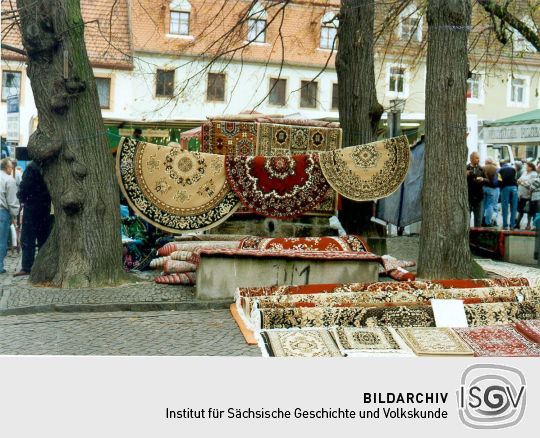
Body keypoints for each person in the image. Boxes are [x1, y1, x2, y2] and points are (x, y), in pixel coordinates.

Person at [13, 161, 51, 277]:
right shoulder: (48, 166)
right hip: (45, 207)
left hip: (32, 206)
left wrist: (21, 196)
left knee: (28, 238)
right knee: (43, 238)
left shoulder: (31, 168)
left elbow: (24, 187)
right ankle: (43, 265)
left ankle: (27, 267)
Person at [0, 158, 20, 274]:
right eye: (11, 167)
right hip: (2, 212)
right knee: (1, 241)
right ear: (7, 168)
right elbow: (12, 201)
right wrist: (15, 215)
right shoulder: (9, 180)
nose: (11, 169)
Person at [516, 162, 537, 229]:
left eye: (527, 166)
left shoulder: (534, 174)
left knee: (529, 211)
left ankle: (528, 225)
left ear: (531, 167)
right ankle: (517, 224)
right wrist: (520, 181)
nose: (526, 167)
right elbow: (519, 179)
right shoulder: (525, 172)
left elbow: (530, 184)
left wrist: (521, 183)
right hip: (521, 195)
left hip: (528, 195)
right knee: (520, 210)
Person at [466, 152, 485, 227]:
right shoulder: (465, 168)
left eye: (479, 158)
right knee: (467, 217)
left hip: (478, 196)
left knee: (478, 218)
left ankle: (477, 235)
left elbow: (488, 181)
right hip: (468, 196)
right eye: (477, 158)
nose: (478, 160)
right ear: (471, 159)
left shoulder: (481, 169)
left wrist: (483, 179)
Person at [499, 159, 519, 230]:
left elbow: (499, 180)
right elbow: (515, 179)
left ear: (501, 164)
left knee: (505, 207)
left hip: (505, 188)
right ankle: (512, 225)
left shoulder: (500, 170)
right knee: (514, 207)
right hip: (514, 188)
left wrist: (500, 187)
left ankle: (505, 225)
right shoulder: (513, 169)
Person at [482, 158, 499, 227]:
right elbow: (497, 180)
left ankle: (482, 221)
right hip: (492, 189)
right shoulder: (495, 169)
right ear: (491, 162)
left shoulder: (483, 168)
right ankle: (488, 222)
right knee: (491, 205)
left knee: (483, 205)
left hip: (484, 188)